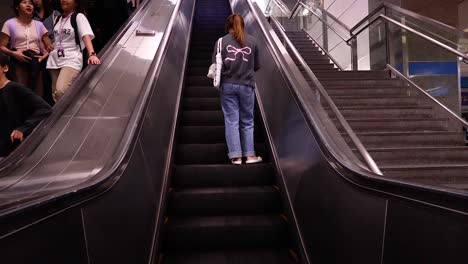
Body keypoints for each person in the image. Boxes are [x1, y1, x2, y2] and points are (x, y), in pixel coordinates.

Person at [213, 14, 262, 165]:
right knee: (247, 120)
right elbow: (257, 66)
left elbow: (215, 64)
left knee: (231, 120)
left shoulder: (221, 42)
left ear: (228, 26)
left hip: (227, 85)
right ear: (243, 24)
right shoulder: (253, 41)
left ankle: (236, 156)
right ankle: (250, 156)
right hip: (247, 85)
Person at [46, 0, 100, 102]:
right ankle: (61, 117)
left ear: (76, 3)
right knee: (55, 94)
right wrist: (50, 46)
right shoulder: (58, 18)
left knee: (61, 90)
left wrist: (92, 54)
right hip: (54, 60)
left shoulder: (78, 16)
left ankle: (69, 115)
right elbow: (58, 39)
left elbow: (85, 36)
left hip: (71, 59)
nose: (64, 0)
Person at [0, 53, 52, 159]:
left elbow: (44, 109)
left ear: (5, 68)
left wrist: (23, 128)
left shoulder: (14, 88)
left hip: (12, 150)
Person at [0, 0, 53, 97]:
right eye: (24, 2)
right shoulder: (9, 23)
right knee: (21, 92)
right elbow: (1, 46)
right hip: (18, 60)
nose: (28, 5)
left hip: (36, 61)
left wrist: (43, 56)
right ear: (17, 7)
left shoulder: (39, 25)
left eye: (30, 3)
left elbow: (49, 47)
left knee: (37, 94)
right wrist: (13, 53)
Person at [33, 0, 61, 105]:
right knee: (43, 81)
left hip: (54, 51)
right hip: (40, 53)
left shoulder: (55, 14)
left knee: (56, 81)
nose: (36, 1)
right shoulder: (32, 17)